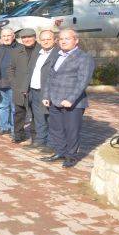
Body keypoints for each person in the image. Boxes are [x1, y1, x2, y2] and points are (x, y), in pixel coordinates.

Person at [41, 29, 95, 168]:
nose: (63, 41)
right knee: (56, 129)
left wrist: (70, 99)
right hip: (54, 100)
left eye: (67, 38)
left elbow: (82, 82)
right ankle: (60, 152)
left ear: (76, 40)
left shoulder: (84, 57)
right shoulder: (57, 55)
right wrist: (46, 95)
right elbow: (49, 77)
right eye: (61, 39)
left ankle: (71, 157)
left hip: (73, 103)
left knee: (71, 131)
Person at [28, 30, 59, 153]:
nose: (45, 41)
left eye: (48, 39)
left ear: (54, 40)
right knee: (39, 117)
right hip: (34, 89)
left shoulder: (57, 54)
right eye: (43, 39)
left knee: (50, 118)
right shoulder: (38, 52)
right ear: (39, 41)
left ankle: (52, 143)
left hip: (48, 91)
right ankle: (40, 140)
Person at [7, 28, 40, 144]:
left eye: (30, 37)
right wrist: (14, 84)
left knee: (35, 114)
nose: (27, 39)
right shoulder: (17, 51)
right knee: (19, 113)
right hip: (19, 87)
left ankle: (35, 138)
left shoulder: (41, 50)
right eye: (24, 38)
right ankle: (18, 135)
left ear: (35, 37)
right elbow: (11, 69)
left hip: (35, 88)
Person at [0, 28, 21, 137]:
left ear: (13, 36)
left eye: (9, 35)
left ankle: (14, 130)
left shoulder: (20, 48)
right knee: (2, 107)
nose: (6, 38)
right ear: (1, 38)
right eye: (4, 36)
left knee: (14, 108)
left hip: (14, 83)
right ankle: (4, 127)